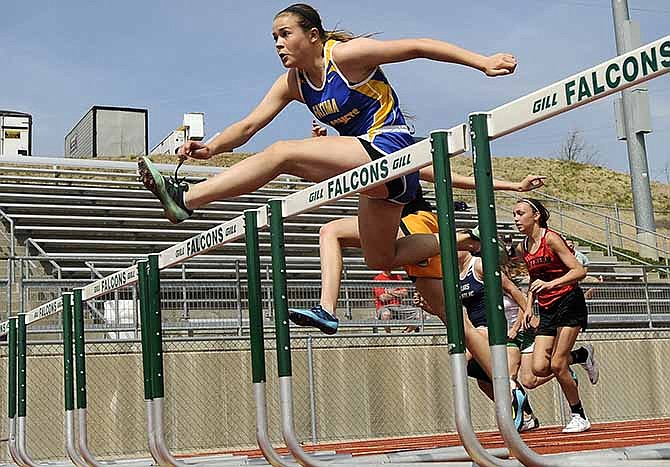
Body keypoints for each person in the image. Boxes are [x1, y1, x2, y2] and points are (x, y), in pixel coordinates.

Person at [138, 3, 519, 329]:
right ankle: (467, 240)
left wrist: (481, 62)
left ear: (314, 36)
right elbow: (250, 124)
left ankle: (187, 199)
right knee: (381, 258)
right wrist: (212, 148)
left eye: (285, 34)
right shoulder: (294, 83)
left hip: (392, 149)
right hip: (374, 172)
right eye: (274, 38)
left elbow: (417, 47)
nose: (278, 44)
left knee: (283, 153)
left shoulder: (346, 57)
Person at [514, 198, 599, 433]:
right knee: (540, 368)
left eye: (521, 213)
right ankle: (582, 354)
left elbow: (579, 271)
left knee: (558, 363)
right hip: (547, 307)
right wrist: (529, 305)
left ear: (536, 216)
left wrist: (552, 285)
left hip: (569, 302)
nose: (516, 218)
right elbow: (534, 278)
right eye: (514, 214)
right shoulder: (523, 246)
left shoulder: (551, 238)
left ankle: (579, 415)